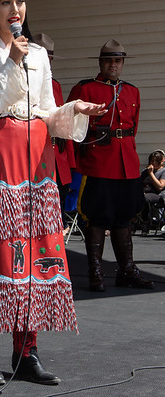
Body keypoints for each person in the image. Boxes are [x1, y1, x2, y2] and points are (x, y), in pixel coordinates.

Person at [0, 0, 105, 385]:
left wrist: (73, 109)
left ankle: (27, 351)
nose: (15, 10)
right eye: (5, 2)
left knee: (38, 250)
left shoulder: (39, 54)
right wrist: (9, 60)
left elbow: (44, 112)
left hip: (36, 157)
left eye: (20, 0)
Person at [68, 40, 153, 291]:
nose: (112, 65)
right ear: (100, 62)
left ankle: (126, 270)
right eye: (108, 60)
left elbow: (133, 129)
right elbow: (71, 126)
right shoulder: (85, 89)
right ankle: (96, 272)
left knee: (124, 217)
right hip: (98, 161)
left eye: (117, 61)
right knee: (97, 217)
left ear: (123, 63)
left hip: (126, 161)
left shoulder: (132, 91)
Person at [35, 33, 78, 233]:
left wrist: (69, 164)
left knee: (56, 216)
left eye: (49, 58)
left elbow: (63, 125)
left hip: (56, 155)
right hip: (32, 155)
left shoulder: (55, 85)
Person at [139, 149, 165, 234]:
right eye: (152, 161)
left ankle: (146, 222)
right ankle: (133, 220)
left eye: (156, 161)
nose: (153, 163)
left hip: (158, 195)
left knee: (145, 198)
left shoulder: (163, 171)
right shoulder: (145, 172)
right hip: (144, 192)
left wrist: (151, 174)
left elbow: (160, 187)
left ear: (161, 161)